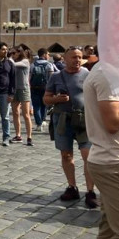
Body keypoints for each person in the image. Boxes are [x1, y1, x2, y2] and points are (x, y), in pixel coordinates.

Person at [43, 47, 97, 208]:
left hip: (84, 121)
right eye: (74, 57)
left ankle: (90, 191)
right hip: (63, 121)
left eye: (80, 57)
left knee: (88, 156)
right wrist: (56, 99)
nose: (77, 60)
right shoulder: (56, 76)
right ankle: (72, 187)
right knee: (66, 155)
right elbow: (46, 99)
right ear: (65, 59)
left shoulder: (88, 75)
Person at [83, 62, 119, 239]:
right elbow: (113, 122)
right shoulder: (109, 73)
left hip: (112, 159)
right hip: (115, 162)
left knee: (109, 229)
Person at [10, 47, 34, 145]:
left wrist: (9, 57)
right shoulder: (15, 61)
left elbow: (13, 64)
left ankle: (29, 137)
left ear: (19, 53)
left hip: (24, 89)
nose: (12, 54)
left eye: (14, 52)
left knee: (26, 114)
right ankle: (18, 135)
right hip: (15, 89)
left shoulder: (25, 61)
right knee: (15, 113)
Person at [31, 48, 57, 133]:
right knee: (44, 105)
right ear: (44, 54)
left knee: (36, 106)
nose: (49, 56)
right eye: (48, 54)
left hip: (34, 87)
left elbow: (30, 77)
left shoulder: (33, 64)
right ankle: (42, 121)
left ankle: (38, 124)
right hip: (45, 88)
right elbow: (51, 77)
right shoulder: (49, 65)